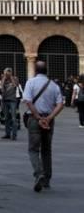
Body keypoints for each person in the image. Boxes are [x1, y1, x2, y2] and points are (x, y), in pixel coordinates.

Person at [22, 61, 64, 192]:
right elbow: (60, 104)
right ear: (46, 71)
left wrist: (38, 117)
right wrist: (49, 118)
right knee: (46, 150)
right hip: (49, 121)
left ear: (35, 70)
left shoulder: (30, 82)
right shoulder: (54, 85)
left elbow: (27, 101)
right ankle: (46, 179)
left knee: (33, 149)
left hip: (35, 120)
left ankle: (39, 173)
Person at [0, 68, 20, 140]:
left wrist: (11, 77)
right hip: (5, 100)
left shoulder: (15, 78)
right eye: (6, 72)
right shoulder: (3, 79)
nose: (7, 74)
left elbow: (15, 86)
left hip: (13, 100)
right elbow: (1, 88)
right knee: (6, 118)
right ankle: (7, 133)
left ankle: (14, 134)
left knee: (14, 118)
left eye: (8, 72)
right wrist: (4, 78)